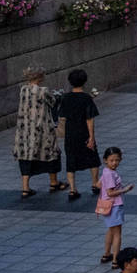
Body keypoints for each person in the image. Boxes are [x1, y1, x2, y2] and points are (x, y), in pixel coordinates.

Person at [12, 68, 63, 197]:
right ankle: (54, 182)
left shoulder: (23, 89)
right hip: (42, 129)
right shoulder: (42, 91)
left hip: (25, 130)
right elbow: (52, 102)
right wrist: (58, 96)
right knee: (51, 153)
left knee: (25, 157)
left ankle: (25, 188)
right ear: (40, 78)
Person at [55, 70, 100, 201]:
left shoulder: (66, 98)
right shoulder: (86, 98)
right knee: (92, 158)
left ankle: (73, 189)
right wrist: (91, 137)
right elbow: (89, 119)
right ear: (84, 81)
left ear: (70, 82)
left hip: (70, 133)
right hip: (83, 132)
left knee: (71, 159)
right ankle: (95, 184)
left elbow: (62, 115)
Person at [96, 146, 131, 267]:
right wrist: (124, 189)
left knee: (110, 230)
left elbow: (98, 184)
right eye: (112, 160)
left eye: (117, 160)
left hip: (107, 206)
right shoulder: (111, 174)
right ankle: (116, 259)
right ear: (105, 160)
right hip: (114, 205)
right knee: (117, 234)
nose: (114, 163)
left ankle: (106, 254)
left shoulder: (105, 171)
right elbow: (110, 192)